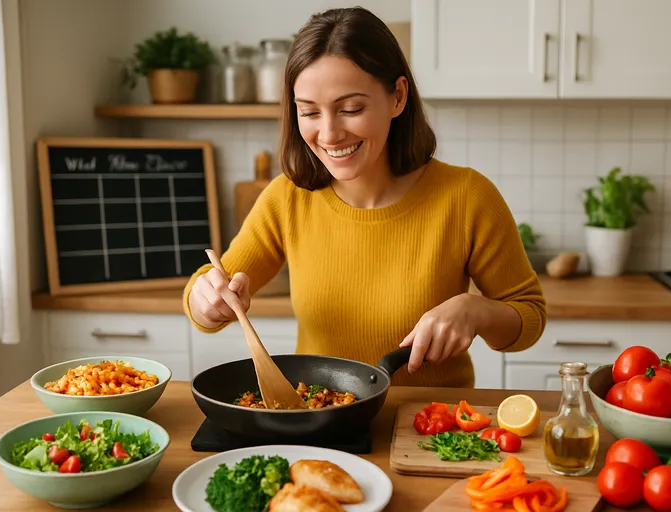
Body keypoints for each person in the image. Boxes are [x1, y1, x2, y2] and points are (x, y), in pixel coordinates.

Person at [182, 6, 546, 388]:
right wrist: (208, 301)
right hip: (324, 420)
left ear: (398, 97)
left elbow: (529, 317)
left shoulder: (467, 197)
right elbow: (210, 293)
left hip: (431, 428)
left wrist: (477, 311)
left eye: (350, 109)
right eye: (309, 112)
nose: (328, 134)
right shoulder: (287, 198)